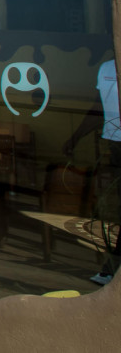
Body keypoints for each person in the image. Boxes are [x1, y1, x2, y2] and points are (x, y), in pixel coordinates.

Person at [63, 58, 120, 285]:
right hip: (115, 145)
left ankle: (111, 268)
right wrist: (75, 138)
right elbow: (98, 108)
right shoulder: (106, 67)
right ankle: (111, 269)